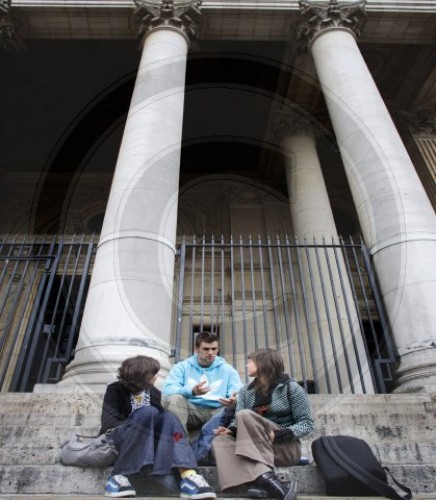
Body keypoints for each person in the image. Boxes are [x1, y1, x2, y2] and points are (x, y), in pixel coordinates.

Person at [100, 355, 216, 499]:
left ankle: (188, 476)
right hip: (119, 437)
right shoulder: (115, 389)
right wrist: (140, 422)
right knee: (149, 412)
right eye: (153, 375)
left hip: (148, 441)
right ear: (141, 377)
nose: (156, 378)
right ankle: (118, 476)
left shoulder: (153, 392)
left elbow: (163, 424)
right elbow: (108, 424)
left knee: (169, 417)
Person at [211, 348, 314, 500]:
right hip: (253, 447)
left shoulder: (291, 388)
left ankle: (259, 481)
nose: (246, 365)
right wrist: (231, 431)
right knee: (219, 441)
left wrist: (277, 435)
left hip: (283, 448)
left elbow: (306, 423)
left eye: (250, 362)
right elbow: (236, 422)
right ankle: (268, 481)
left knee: (245, 415)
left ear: (263, 364)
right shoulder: (246, 391)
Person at [162, 331, 242, 454]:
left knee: (241, 404)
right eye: (206, 349)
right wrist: (191, 391)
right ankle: (182, 446)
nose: (210, 352)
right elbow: (167, 390)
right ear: (196, 349)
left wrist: (233, 399)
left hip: (218, 411)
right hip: (193, 411)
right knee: (174, 399)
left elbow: (238, 392)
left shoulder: (228, 369)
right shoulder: (182, 367)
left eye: (214, 349)